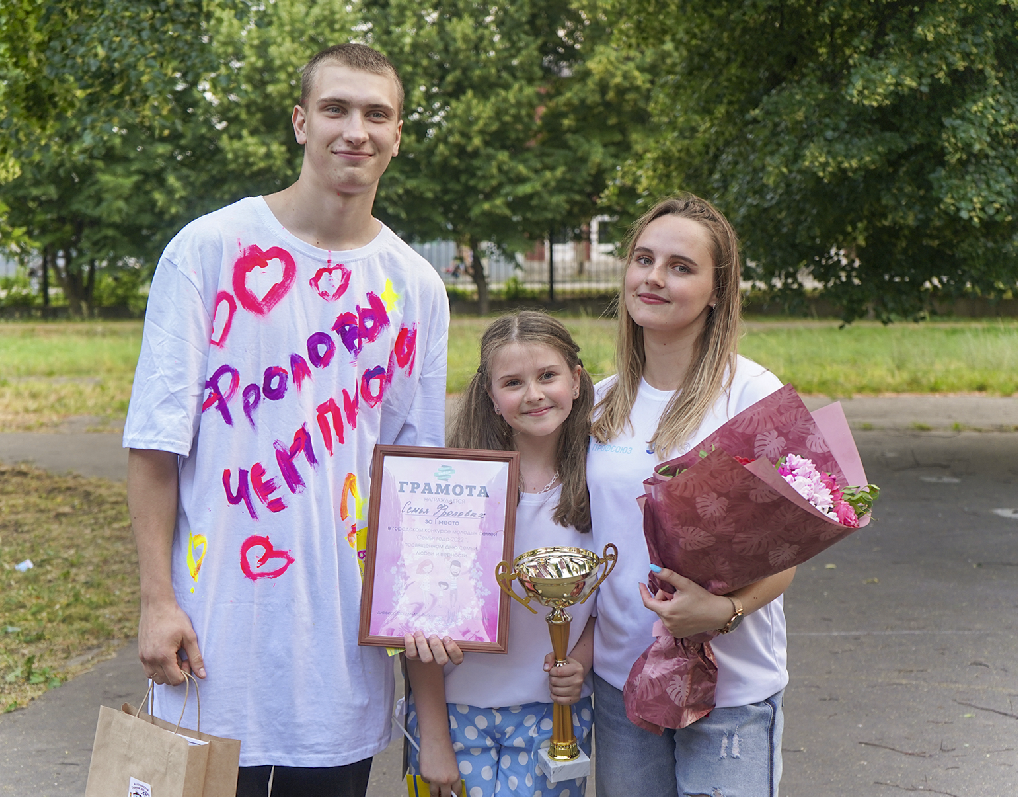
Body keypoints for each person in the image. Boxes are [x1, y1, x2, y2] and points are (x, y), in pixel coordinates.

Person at [123, 43, 450, 797]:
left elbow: (412, 477)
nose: (354, 131)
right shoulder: (208, 250)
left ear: (398, 134)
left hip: (340, 658)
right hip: (212, 641)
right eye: (335, 109)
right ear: (301, 122)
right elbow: (153, 446)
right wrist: (157, 600)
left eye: (376, 114)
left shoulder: (415, 286)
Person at [587, 195, 793, 796]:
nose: (653, 277)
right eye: (643, 259)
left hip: (731, 692)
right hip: (622, 687)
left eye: (680, 266)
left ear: (716, 291)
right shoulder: (598, 404)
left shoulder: (752, 393)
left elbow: (790, 547)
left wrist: (724, 612)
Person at [405, 312, 598, 797]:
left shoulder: (602, 485)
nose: (533, 394)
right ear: (491, 397)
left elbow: (617, 597)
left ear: (575, 380)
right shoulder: (453, 490)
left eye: (547, 376)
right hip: (454, 711)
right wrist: (433, 737)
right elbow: (419, 618)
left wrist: (580, 661)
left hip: (552, 715)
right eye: (513, 382)